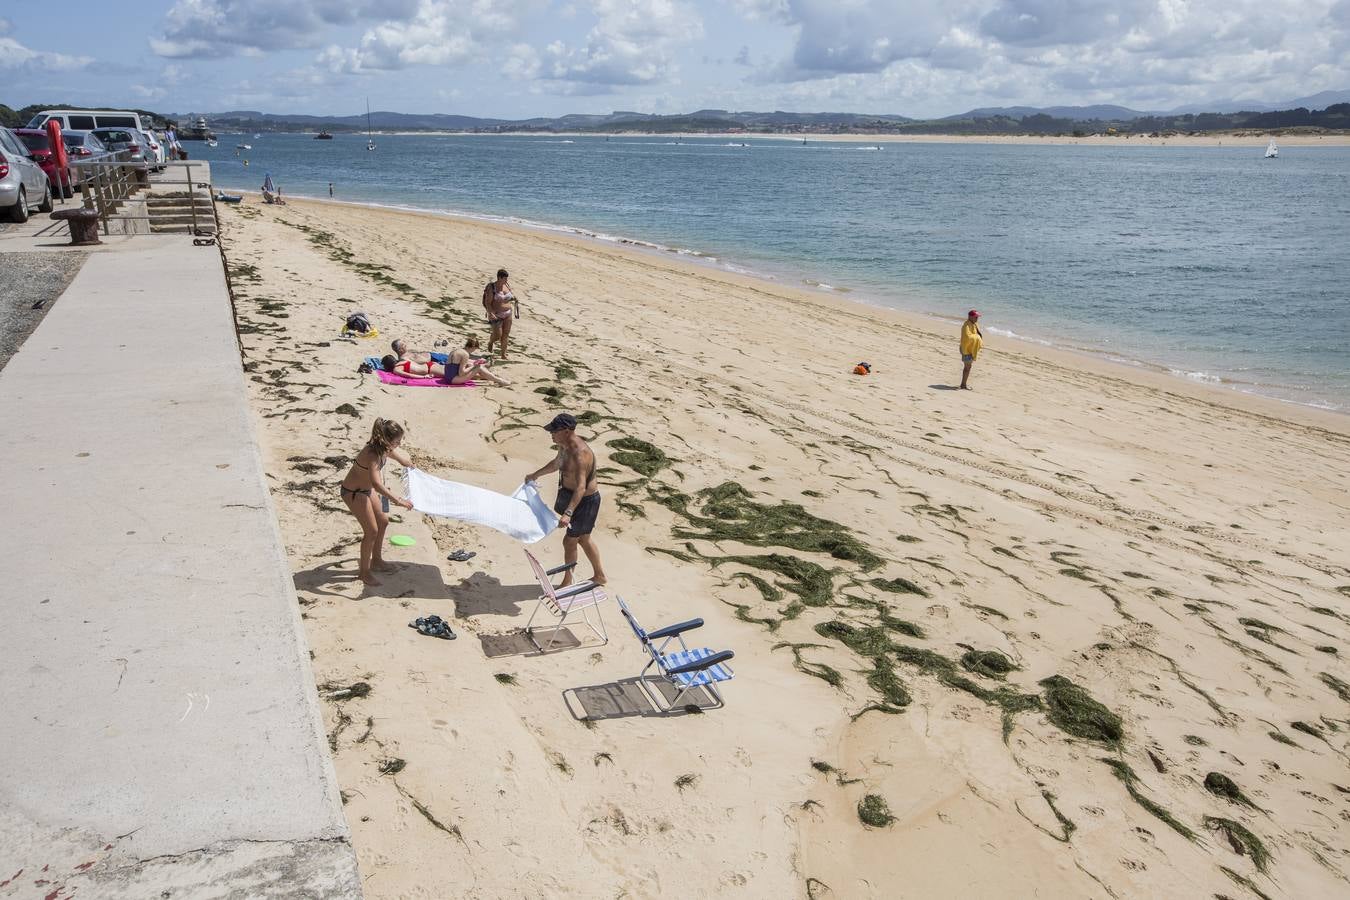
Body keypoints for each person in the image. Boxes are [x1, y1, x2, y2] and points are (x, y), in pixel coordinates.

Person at [524, 413, 606, 587]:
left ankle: (567, 582)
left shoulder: (580, 454)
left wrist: (568, 513)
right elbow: (556, 464)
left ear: (567, 431)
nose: (551, 434)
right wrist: (535, 475)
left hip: (585, 502)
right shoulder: (564, 445)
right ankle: (599, 576)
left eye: (555, 431)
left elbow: (581, 487)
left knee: (569, 541)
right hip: (572, 497)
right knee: (584, 539)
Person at [339, 418, 415, 586]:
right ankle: (364, 573)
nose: (399, 444)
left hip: (366, 491)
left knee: (383, 521)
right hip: (354, 493)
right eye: (397, 441)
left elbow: (391, 453)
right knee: (371, 531)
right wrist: (398, 500)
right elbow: (377, 484)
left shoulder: (383, 447)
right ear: (386, 440)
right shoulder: (373, 455)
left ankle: (377, 561)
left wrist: (404, 462)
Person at [483, 269, 520, 360]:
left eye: (507, 279)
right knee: (498, 335)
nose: (506, 281)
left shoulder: (506, 285)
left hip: (508, 313)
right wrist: (490, 313)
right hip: (496, 314)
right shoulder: (492, 287)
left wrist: (514, 298)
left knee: (506, 334)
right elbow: (488, 302)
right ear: (499, 277)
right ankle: (491, 342)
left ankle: (503, 354)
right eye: (504, 279)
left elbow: (511, 296)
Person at [959, 309, 983, 390]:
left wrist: (978, 337)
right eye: (975, 317)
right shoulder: (966, 325)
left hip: (970, 349)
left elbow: (975, 334)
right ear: (970, 317)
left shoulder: (974, 324)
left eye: (977, 317)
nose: (977, 318)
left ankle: (963, 384)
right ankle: (963, 385)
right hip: (966, 349)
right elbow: (967, 337)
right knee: (967, 367)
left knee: (968, 367)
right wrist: (978, 338)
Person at [380, 353, 445, 379]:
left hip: (430, 370)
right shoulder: (403, 360)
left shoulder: (396, 369)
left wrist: (424, 377)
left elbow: (409, 375)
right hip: (430, 364)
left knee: (451, 375)